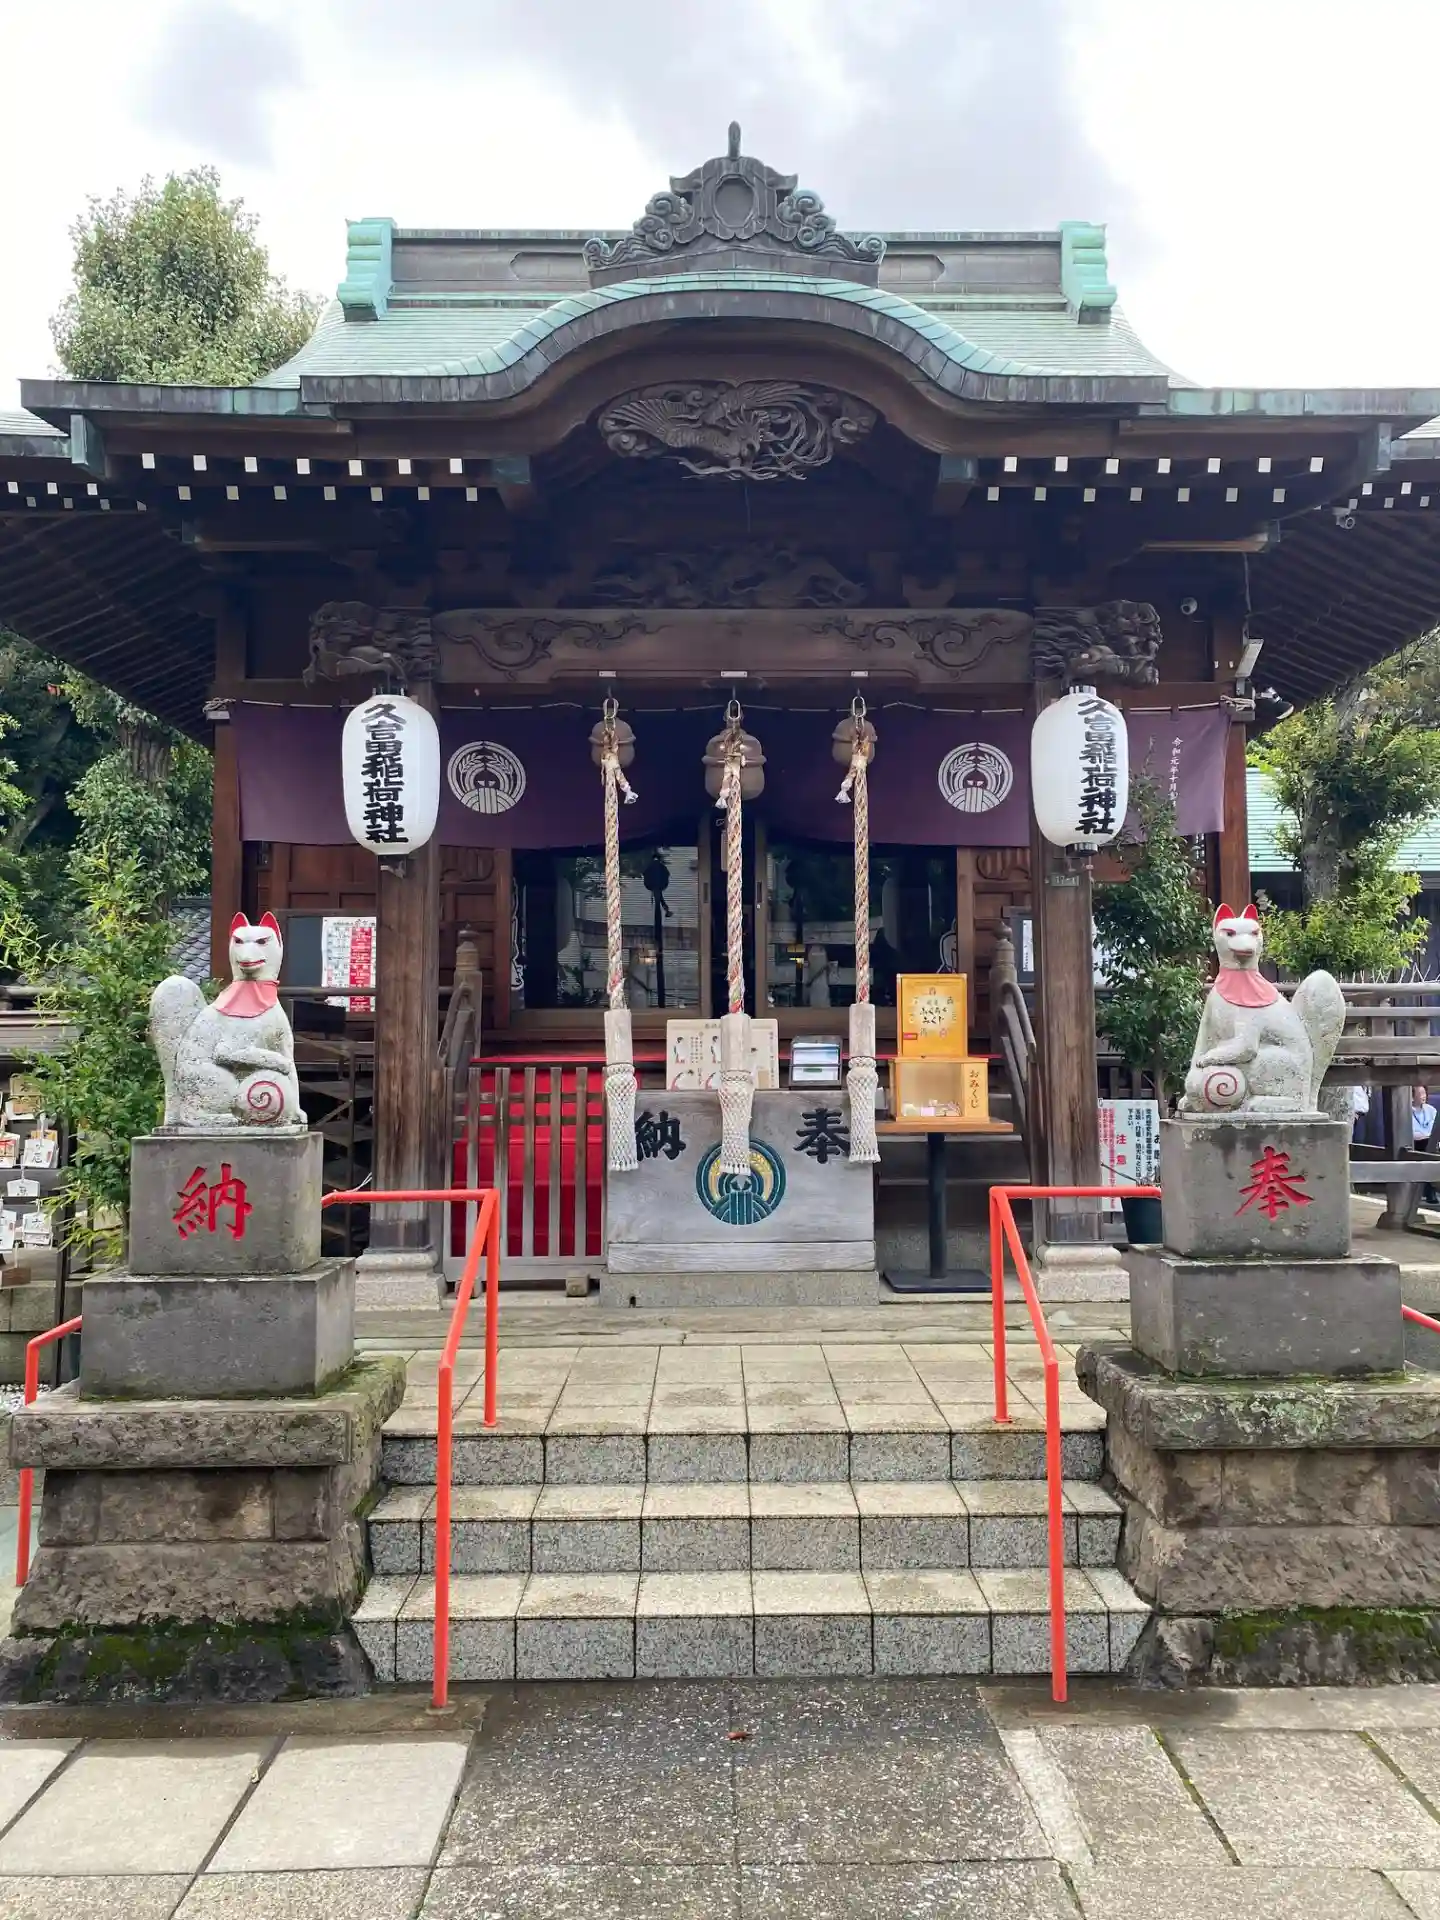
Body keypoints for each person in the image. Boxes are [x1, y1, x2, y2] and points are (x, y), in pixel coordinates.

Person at [1414, 1085, 1438, 1206]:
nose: (1423, 1096)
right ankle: (1429, 1190)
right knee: (1429, 1149)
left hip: (1432, 1141)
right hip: (1416, 1143)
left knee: (1432, 1146)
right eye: (1420, 1093)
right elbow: (1411, 1132)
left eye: (1424, 1093)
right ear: (1412, 1096)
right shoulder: (1406, 1111)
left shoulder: (1431, 1110)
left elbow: (1436, 1128)